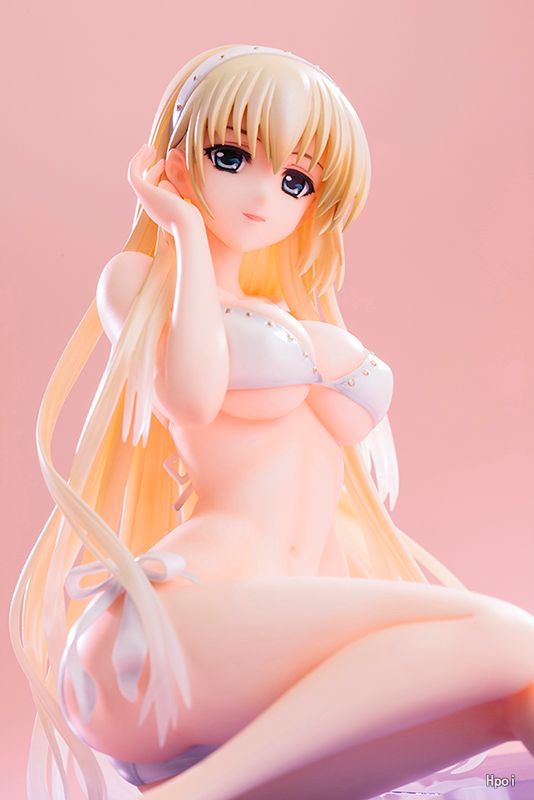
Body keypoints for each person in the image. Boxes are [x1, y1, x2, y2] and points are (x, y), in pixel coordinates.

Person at [9, 43, 534, 800]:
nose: (264, 195)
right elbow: (189, 398)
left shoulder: (287, 313)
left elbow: (335, 493)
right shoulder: (142, 283)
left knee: (517, 699)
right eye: (230, 158)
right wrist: (184, 231)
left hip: (265, 649)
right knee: (513, 637)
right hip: (170, 630)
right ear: (176, 162)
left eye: (296, 180)